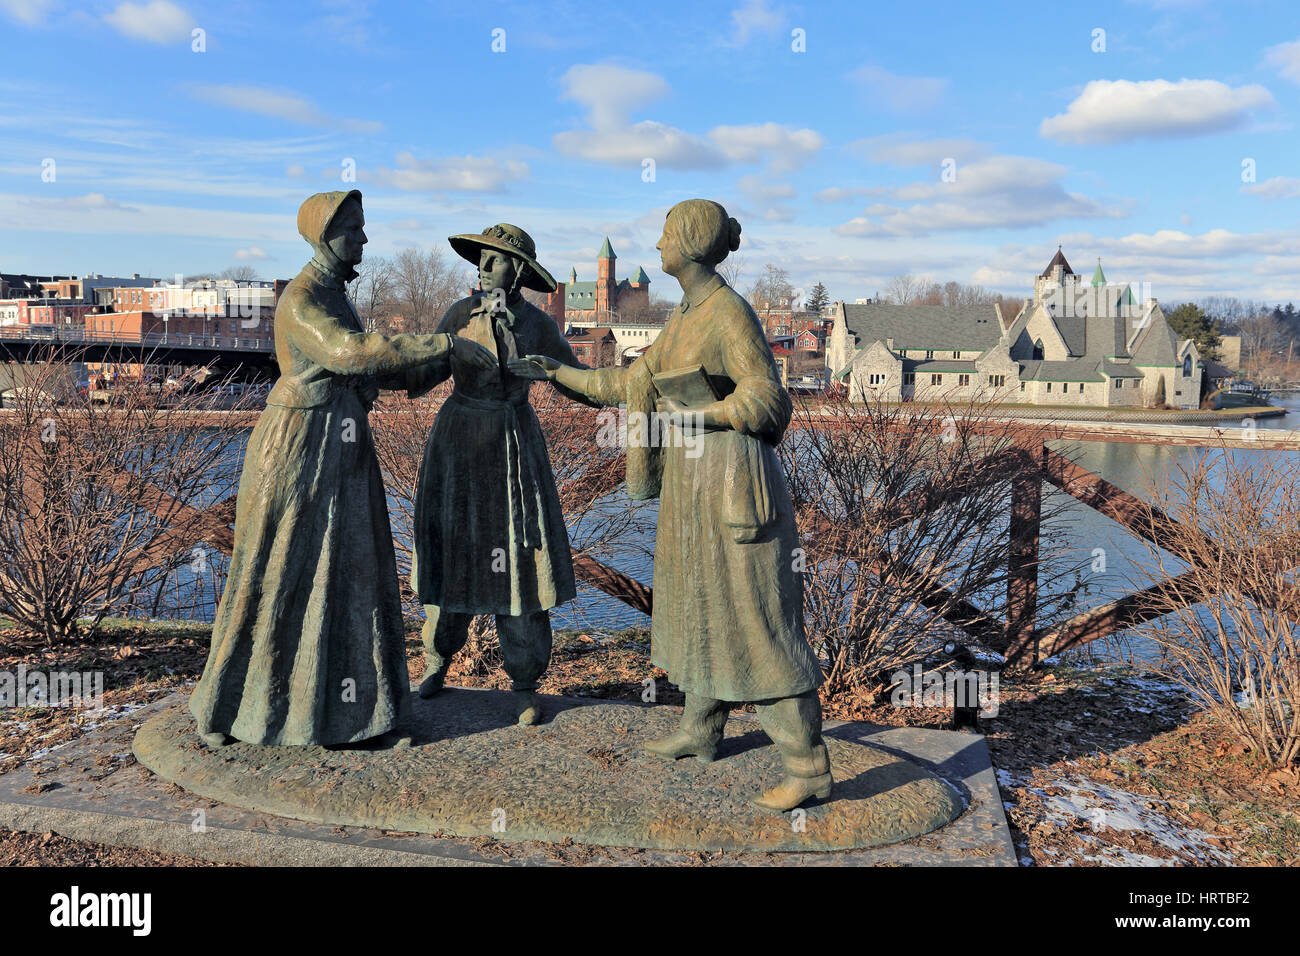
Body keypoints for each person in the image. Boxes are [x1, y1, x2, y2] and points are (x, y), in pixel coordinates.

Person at [512, 199, 831, 811]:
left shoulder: (727, 312)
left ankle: (807, 763)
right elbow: (625, 383)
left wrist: (698, 414)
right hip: (692, 485)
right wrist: (553, 370)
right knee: (697, 606)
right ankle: (701, 730)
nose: (655, 245)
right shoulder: (686, 312)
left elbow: (768, 401)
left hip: (734, 484)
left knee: (755, 619)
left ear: (689, 241)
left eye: (663, 234)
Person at [189, 190, 496, 748]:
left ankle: (351, 716)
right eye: (354, 229)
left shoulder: (335, 294)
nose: (363, 239)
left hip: (343, 449)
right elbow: (352, 353)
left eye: (361, 227)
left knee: (352, 576)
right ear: (324, 235)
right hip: (300, 450)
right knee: (278, 574)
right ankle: (236, 710)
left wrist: (446, 359)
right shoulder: (303, 299)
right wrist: (443, 340)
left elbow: (373, 373)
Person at [409, 224, 584, 726]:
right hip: (458, 443)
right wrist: (402, 357)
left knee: (522, 562)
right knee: (452, 554)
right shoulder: (459, 315)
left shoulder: (538, 324)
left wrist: (626, 387)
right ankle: (437, 659)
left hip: (512, 447)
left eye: (496, 260)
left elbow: (574, 380)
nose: (483, 268)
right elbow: (418, 380)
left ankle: (525, 682)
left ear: (521, 271)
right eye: (481, 258)